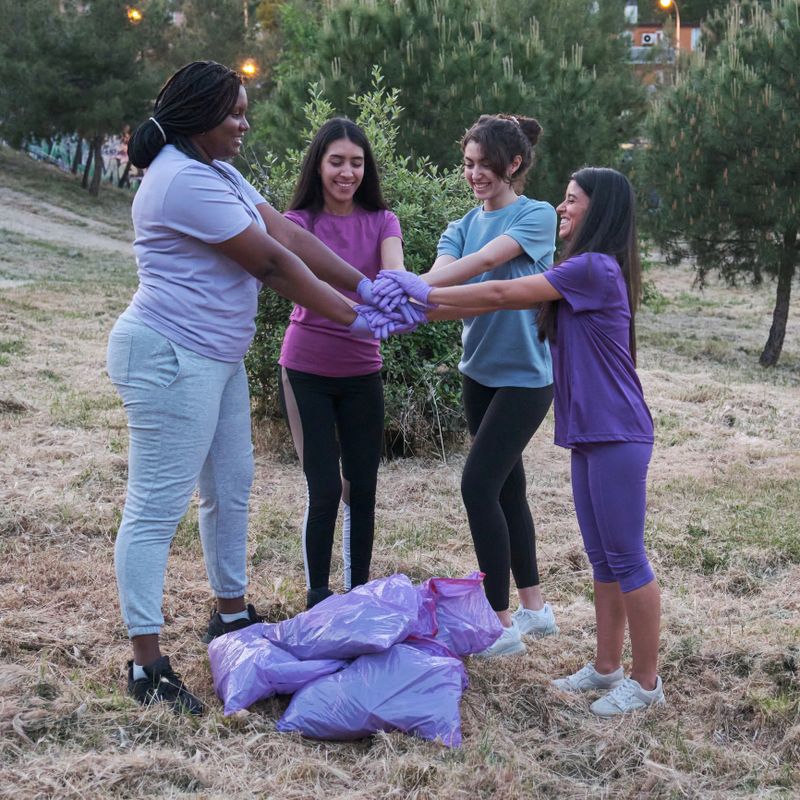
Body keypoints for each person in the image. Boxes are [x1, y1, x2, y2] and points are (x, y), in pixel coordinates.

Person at [107, 61, 382, 715]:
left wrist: (368, 287)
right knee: (154, 509)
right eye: (235, 111)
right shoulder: (178, 181)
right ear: (200, 116)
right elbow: (269, 261)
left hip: (216, 357)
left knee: (229, 489)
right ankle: (147, 667)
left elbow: (287, 232)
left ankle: (230, 615)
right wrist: (360, 314)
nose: (244, 122)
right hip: (170, 355)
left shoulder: (217, 172)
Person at [377, 167, 664, 716]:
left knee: (627, 558)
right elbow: (491, 303)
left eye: (572, 200)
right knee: (603, 558)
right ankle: (607, 668)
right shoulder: (577, 271)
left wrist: (421, 288)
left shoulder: (595, 269)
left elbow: (504, 288)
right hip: (591, 433)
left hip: (618, 433)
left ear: (598, 210)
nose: (562, 208)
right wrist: (416, 308)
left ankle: (646, 681)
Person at [376, 114, 559, 657]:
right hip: (477, 373)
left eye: (484, 165)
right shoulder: (458, 224)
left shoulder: (537, 216)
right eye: (468, 164)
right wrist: (406, 292)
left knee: (477, 485)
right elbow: (447, 271)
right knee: (507, 488)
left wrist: (404, 287)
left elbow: (486, 261)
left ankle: (498, 624)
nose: (474, 174)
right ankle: (535, 610)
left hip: (527, 378)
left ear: (515, 163)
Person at [277, 118, 405, 609]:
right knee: (325, 486)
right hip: (306, 367)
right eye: (337, 162)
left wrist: (398, 292)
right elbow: (303, 281)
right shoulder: (298, 223)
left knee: (363, 485)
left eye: (356, 162)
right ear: (319, 165)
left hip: (362, 370)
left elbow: (393, 271)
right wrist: (361, 309)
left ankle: (357, 597)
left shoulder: (382, 221)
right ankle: (317, 598)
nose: (347, 172)